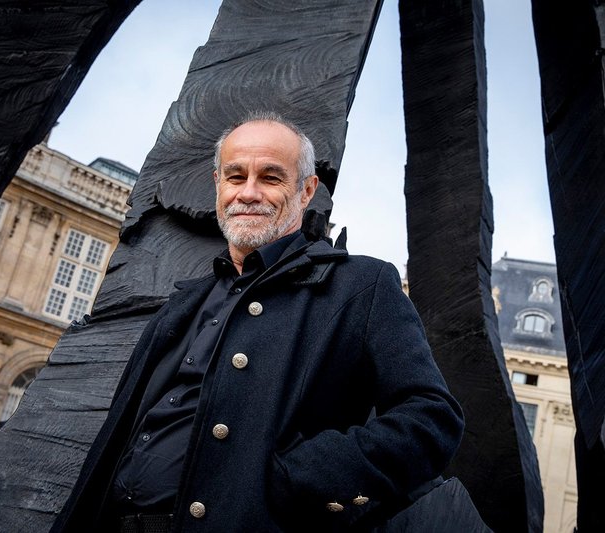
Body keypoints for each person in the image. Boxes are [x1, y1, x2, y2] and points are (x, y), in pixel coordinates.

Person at [52, 112, 464, 532]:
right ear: (218, 185)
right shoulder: (185, 302)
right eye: (235, 177)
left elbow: (432, 418)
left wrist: (299, 478)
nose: (248, 193)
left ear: (306, 191)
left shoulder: (361, 285)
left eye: (270, 178)